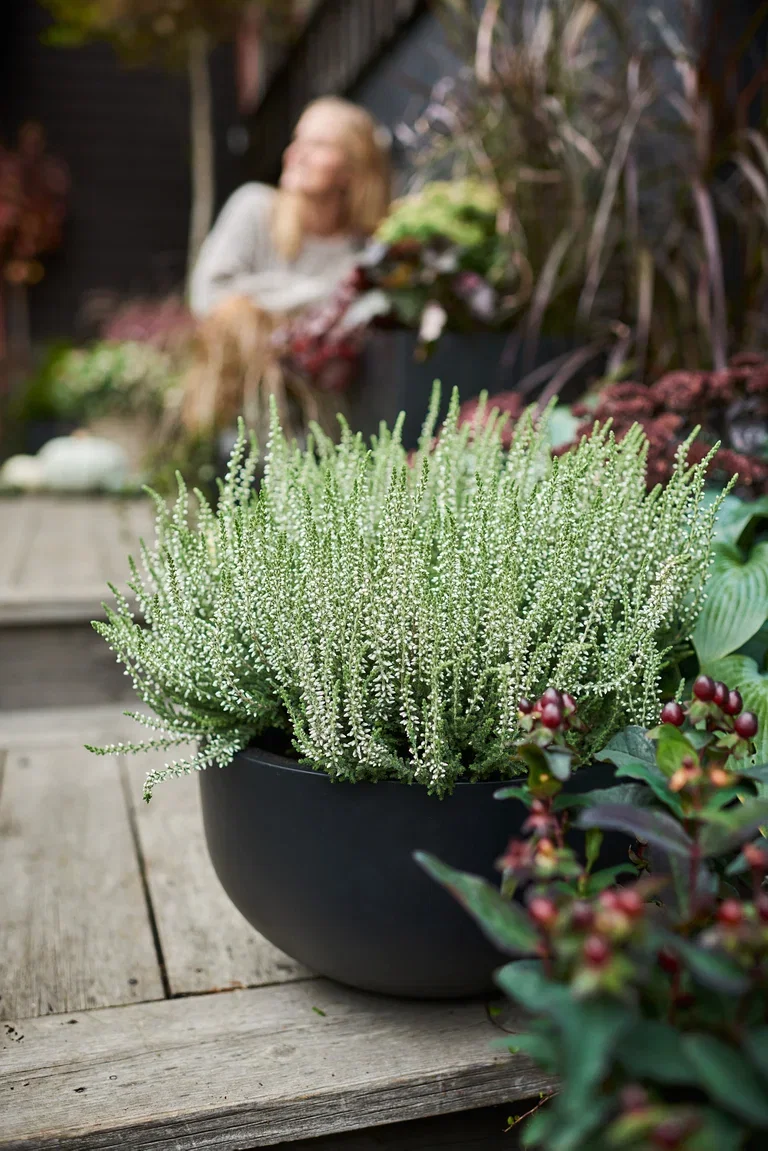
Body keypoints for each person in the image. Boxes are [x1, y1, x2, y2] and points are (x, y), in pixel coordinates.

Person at [181, 97, 391, 437]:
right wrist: (316, 296)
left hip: (332, 417)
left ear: (353, 169)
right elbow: (208, 296)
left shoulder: (365, 249)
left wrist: (257, 302)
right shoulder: (254, 208)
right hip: (243, 408)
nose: (296, 154)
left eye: (319, 144)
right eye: (297, 140)